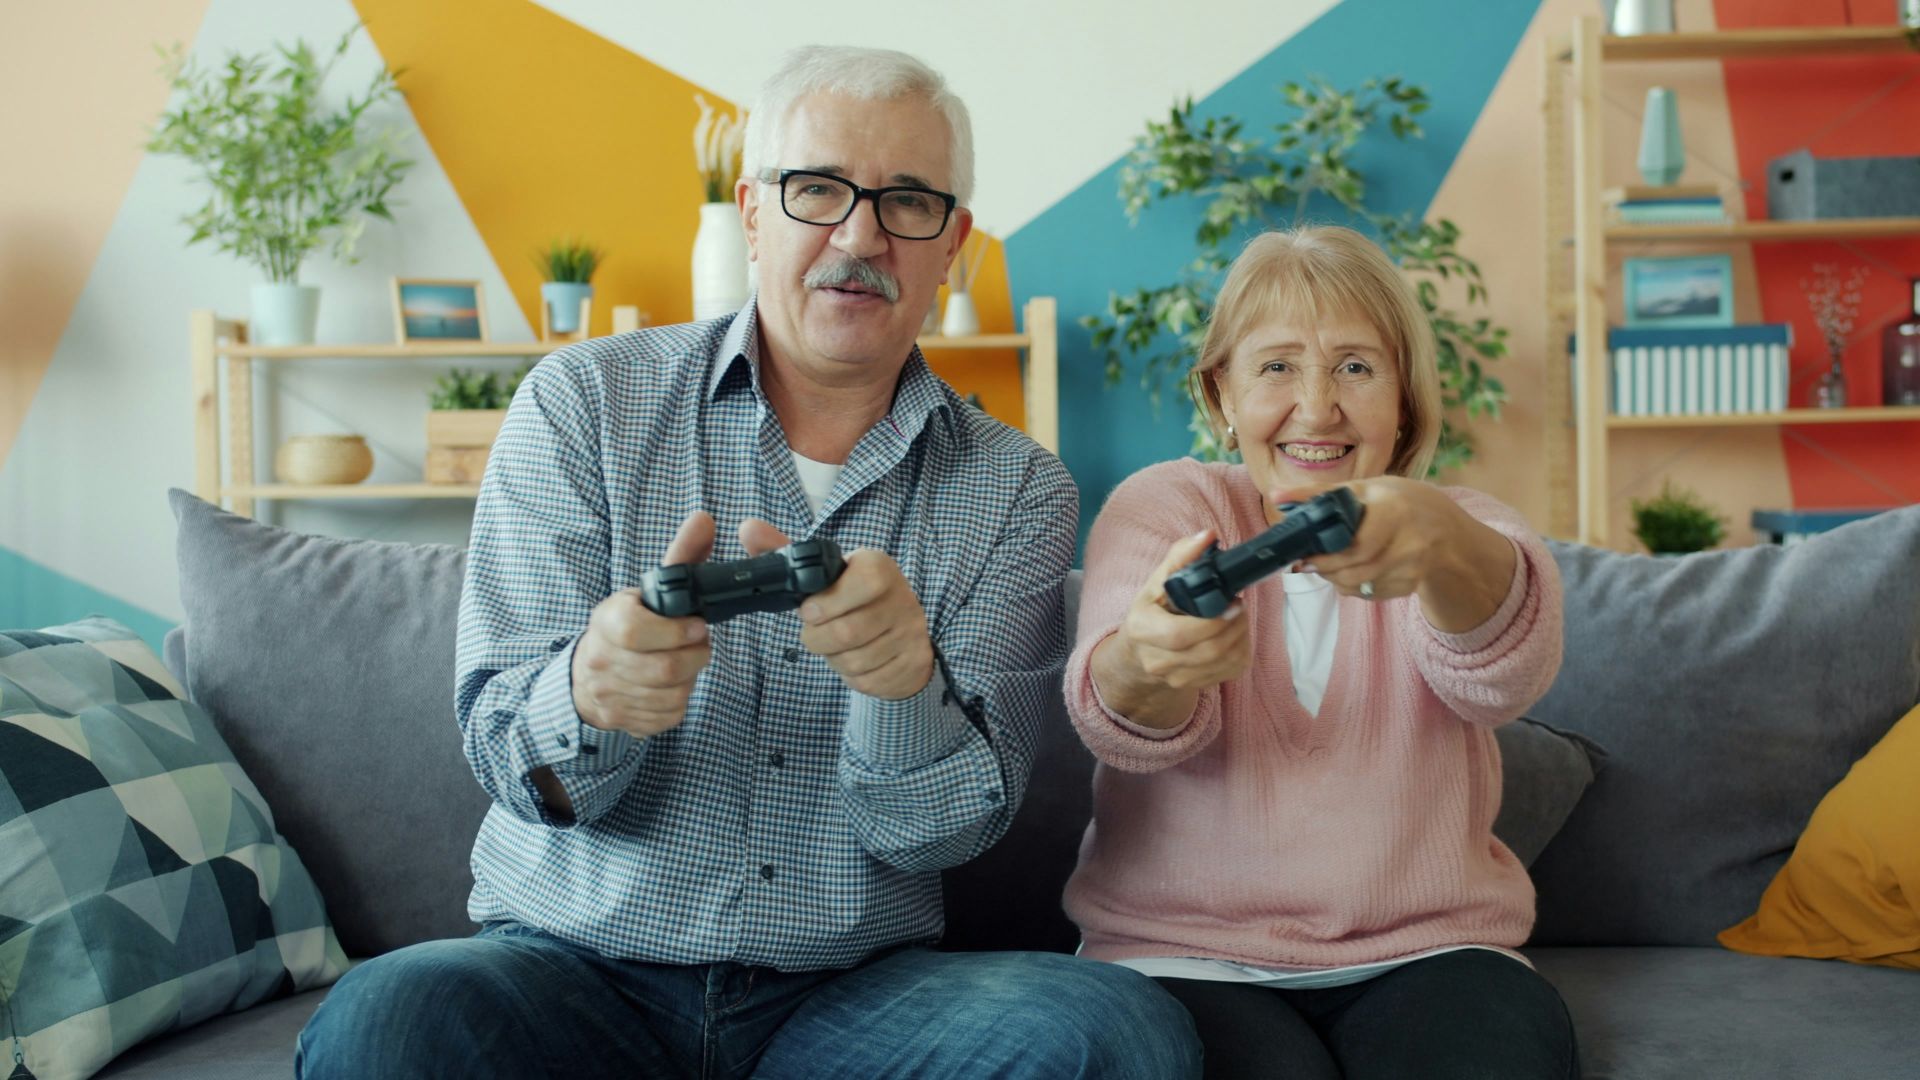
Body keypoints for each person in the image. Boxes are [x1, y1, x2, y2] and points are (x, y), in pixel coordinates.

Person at [295, 45, 1198, 1080]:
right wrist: (591, 696)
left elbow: (945, 838)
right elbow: (514, 766)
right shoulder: (581, 404)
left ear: (953, 244)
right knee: (385, 1021)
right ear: (753, 212)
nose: (859, 236)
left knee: (1112, 1031)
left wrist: (902, 687)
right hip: (569, 975)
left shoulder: (1018, 488)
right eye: (818, 190)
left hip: (851, 1000)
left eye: (907, 202)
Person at [1063, 225, 1579, 1080]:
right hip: (1181, 954)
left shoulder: (1463, 527)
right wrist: (1151, 662)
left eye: (1354, 367)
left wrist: (1443, 543)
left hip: (1431, 952)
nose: (1317, 407)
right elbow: (1117, 718)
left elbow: (1503, 682)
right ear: (1219, 394)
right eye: (1276, 367)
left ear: (1405, 400)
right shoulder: (1166, 506)